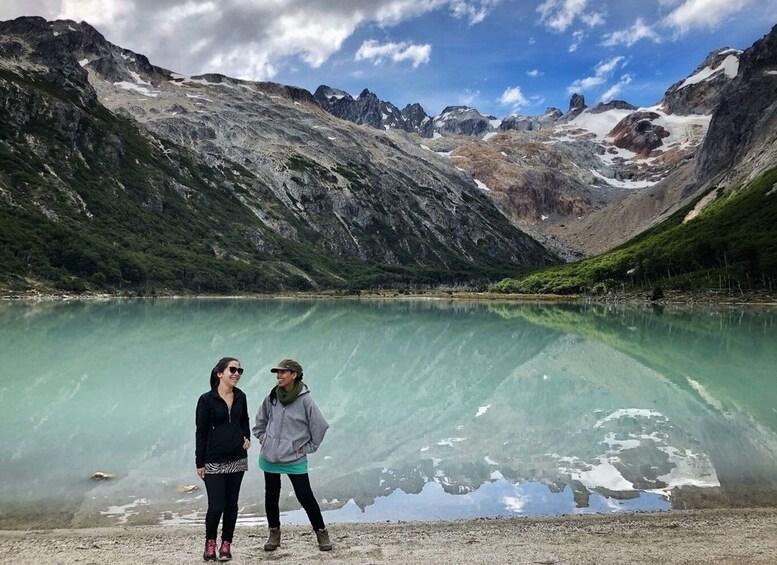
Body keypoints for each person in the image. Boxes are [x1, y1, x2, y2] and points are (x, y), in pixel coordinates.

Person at [253, 358, 332, 552]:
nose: (278, 376)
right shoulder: (272, 396)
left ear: (294, 375)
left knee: (305, 496)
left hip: (294, 458)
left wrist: (308, 448)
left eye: (282, 372)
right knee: (271, 495)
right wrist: (262, 436)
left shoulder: (305, 400)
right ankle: (274, 534)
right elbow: (260, 419)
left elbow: (320, 426)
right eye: (277, 373)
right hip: (270, 456)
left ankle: (321, 532)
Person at [195, 357, 251, 562]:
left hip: (237, 458)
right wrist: (199, 462)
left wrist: (247, 437)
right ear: (220, 373)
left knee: (232, 505)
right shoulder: (206, 400)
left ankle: (226, 544)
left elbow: (244, 419)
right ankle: (210, 543)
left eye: (239, 370)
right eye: (232, 369)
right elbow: (200, 432)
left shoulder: (241, 396)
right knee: (216, 505)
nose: (237, 373)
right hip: (213, 460)